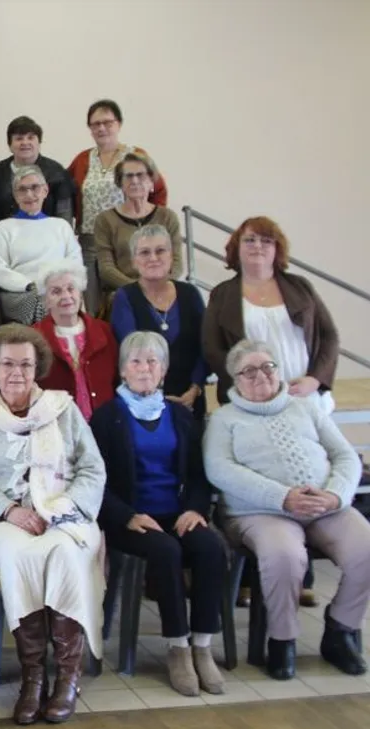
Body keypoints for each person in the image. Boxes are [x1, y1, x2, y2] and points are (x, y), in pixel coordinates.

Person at [0, 325, 106, 725]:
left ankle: (67, 677)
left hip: (65, 514)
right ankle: (33, 676)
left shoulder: (63, 409)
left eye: (25, 363)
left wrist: (65, 506)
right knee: (20, 557)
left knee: (63, 553)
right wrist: (10, 511)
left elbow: (92, 468)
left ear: (38, 366)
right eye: (7, 363)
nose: (17, 372)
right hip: (5, 519)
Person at [204, 339, 370, 680]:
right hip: (259, 512)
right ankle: (282, 640)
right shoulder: (224, 419)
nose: (260, 375)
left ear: (279, 371)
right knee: (284, 555)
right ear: (234, 380)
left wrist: (335, 495)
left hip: (325, 505)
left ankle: (341, 628)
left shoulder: (306, 407)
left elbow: (344, 455)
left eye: (267, 367)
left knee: (366, 549)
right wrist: (282, 496)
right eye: (248, 371)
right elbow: (219, 470)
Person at [90, 332, 227, 697]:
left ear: (164, 371)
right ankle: (178, 647)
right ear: (122, 370)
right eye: (136, 361)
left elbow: (199, 474)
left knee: (210, 548)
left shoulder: (181, 415)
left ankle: (202, 644)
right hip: (129, 518)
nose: (144, 368)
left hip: (177, 513)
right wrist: (126, 515)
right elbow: (94, 481)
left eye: (152, 361)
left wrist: (196, 509)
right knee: (166, 552)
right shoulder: (106, 418)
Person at [202, 216, 337, 414]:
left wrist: (315, 379)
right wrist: (251, 387)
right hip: (250, 402)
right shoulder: (222, 294)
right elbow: (213, 349)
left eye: (266, 241)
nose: (258, 246)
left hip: (304, 396)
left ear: (277, 249)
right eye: (249, 240)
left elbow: (329, 336)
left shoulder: (301, 287)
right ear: (236, 248)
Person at [68, 100, 168, 314]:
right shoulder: (83, 159)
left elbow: (158, 189)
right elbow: (67, 191)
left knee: (128, 301)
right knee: (94, 305)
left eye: (107, 122)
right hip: (90, 241)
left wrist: (149, 225)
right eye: (95, 124)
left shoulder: (136, 155)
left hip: (127, 238)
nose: (101, 128)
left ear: (119, 124)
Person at [111, 224, 206, 418]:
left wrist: (195, 389)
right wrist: (155, 398)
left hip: (190, 400)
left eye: (160, 251)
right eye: (144, 252)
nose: (153, 258)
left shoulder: (190, 294)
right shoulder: (124, 297)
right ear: (134, 261)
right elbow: (131, 355)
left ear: (171, 256)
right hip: (142, 404)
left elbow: (205, 345)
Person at [0, 165, 82, 325]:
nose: (29, 194)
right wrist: (30, 286)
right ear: (15, 196)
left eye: (34, 188)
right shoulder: (4, 228)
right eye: (22, 190)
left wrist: (56, 286)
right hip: (20, 293)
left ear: (45, 191)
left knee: (57, 301)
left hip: (57, 289)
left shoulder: (60, 226)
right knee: (43, 303)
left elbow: (74, 262)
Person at [35, 261, 117, 421]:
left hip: (105, 426)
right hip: (58, 429)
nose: (66, 296)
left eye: (71, 289)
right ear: (46, 300)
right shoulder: (34, 338)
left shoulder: (106, 332)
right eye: (56, 291)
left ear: (80, 293)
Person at [93, 153, 183, 294]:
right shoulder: (105, 220)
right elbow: (106, 268)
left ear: (151, 182)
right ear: (120, 184)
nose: (134, 181)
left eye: (140, 175)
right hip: (123, 292)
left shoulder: (167, 217)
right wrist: (139, 289)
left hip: (163, 291)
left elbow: (176, 263)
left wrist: (159, 286)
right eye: (128, 176)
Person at [0, 116, 75, 225]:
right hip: (7, 236)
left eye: (30, 138)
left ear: (39, 143)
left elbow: (64, 214)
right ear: (10, 145)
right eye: (19, 138)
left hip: (47, 235)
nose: (25, 142)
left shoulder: (57, 172)